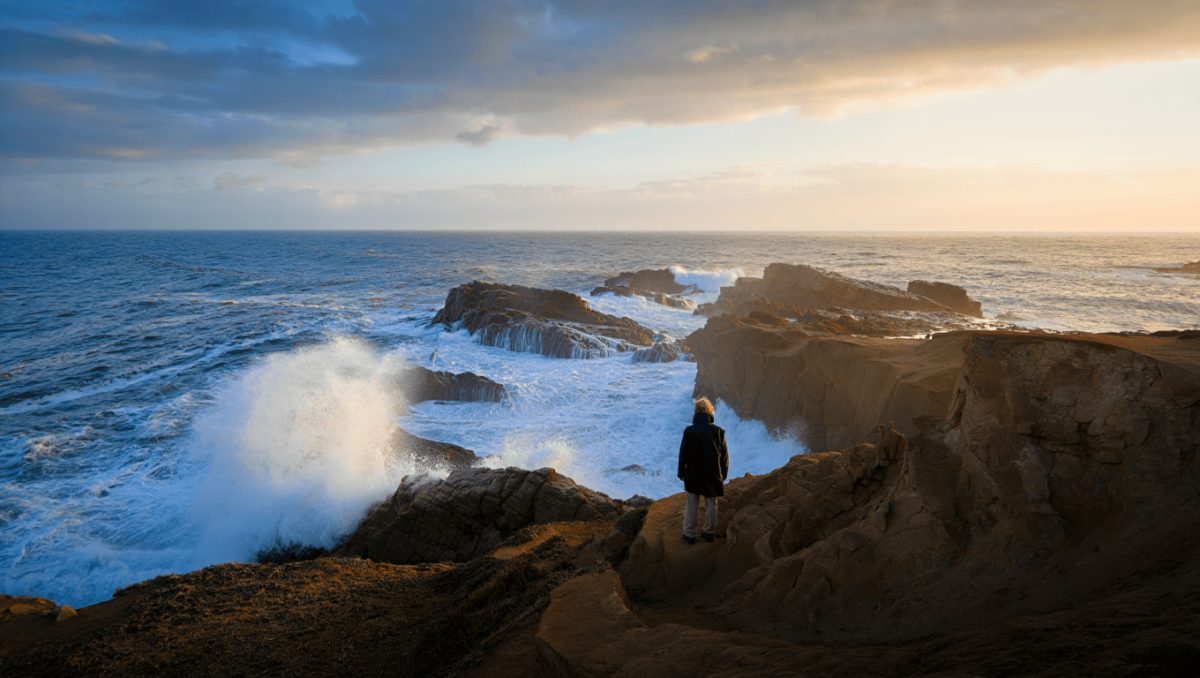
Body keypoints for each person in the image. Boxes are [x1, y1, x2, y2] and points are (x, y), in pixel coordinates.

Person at [677, 397, 729, 544]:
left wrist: (681, 473)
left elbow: (683, 455)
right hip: (712, 473)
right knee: (711, 503)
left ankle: (689, 534)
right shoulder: (718, 431)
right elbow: (724, 457)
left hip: (693, 473)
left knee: (692, 503)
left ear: (696, 412)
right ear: (709, 411)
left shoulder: (689, 431)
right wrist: (722, 474)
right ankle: (708, 533)